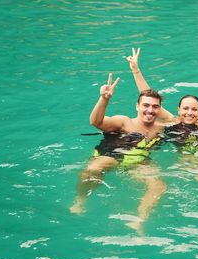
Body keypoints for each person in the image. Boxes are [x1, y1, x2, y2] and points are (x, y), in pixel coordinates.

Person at [71, 73, 167, 234]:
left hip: (139, 162)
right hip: (112, 156)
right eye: (146, 105)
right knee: (93, 170)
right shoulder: (124, 122)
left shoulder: (161, 129)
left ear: (159, 109)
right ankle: (80, 201)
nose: (150, 110)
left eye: (155, 107)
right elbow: (96, 122)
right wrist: (104, 99)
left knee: (158, 185)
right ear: (137, 106)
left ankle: (139, 221)